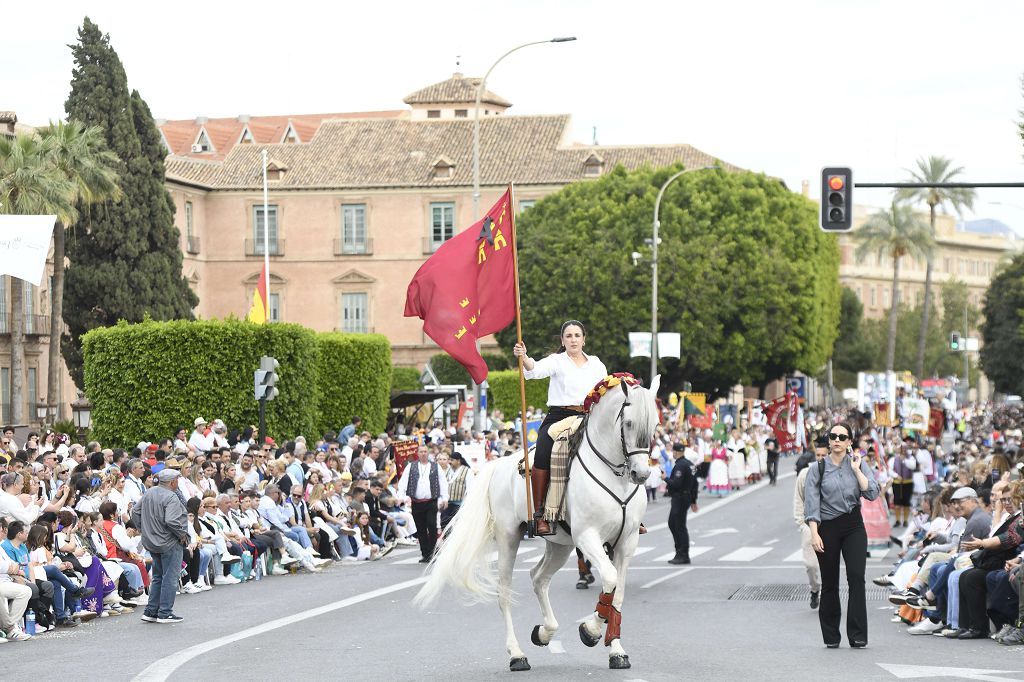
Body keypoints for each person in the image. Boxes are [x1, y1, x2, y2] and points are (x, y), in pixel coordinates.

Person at [513, 319, 608, 535]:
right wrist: (524, 357)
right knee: (543, 451)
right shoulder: (557, 361)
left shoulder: (596, 363)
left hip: (590, 416)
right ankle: (539, 514)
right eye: (569, 336)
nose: (573, 340)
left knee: (619, 445)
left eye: (577, 335)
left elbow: (605, 390)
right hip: (559, 416)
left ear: (584, 339)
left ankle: (628, 510)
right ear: (563, 341)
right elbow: (535, 369)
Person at [805, 421, 880, 649]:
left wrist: (857, 471)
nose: (837, 440)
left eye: (842, 436)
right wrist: (814, 534)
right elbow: (811, 505)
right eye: (833, 436)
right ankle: (831, 636)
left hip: (853, 525)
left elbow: (872, 493)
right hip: (827, 527)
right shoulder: (816, 469)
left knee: (856, 578)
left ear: (849, 442)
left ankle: (857, 635)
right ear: (828, 440)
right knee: (830, 583)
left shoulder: (858, 464)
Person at [131, 469, 188, 624]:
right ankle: (165, 612)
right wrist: (182, 534)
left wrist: (144, 529)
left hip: (152, 541)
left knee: (157, 576)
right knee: (170, 577)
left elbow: (134, 512)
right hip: (169, 541)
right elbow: (171, 520)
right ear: (172, 482)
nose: (178, 482)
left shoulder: (150, 492)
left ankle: (151, 611)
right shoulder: (171, 496)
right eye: (177, 479)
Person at [397, 445, 448, 562]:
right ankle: (425, 553)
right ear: (417, 453)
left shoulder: (435, 466)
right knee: (421, 528)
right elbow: (403, 482)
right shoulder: (411, 466)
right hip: (417, 502)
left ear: (428, 453)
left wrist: (445, 498)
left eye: (425, 451)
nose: (423, 454)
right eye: (421, 452)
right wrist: (401, 496)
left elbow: (443, 482)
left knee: (432, 525)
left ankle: (432, 552)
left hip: (431, 501)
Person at [794, 436, 828, 609]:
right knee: (811, 565)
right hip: (809, 525)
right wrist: (801, 523)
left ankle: (829, 597)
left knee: (829, 565)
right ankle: (815, 589)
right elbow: (799, 498)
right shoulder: (805, 474)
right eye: (818, 455)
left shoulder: (834, 473)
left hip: (829, 525)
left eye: (824, 455)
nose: (821, 459)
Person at [666, 443, 699, 564]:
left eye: (673, 451)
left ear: (676, 452)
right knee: (674, 524)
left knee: (678, 526)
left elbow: (676, 484)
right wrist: (694, 500)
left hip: (679, 498)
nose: (673, 454)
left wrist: (665, 478)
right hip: (685, 497)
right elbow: (695, 484)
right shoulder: (690, 464)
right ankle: (680, 551)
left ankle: (683, 553)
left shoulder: (680, 465)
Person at [440, 451, 473, 530]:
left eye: (452, 460)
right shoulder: (448, 470)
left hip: (459, 504)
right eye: (450, 460)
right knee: (444, 522)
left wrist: (466, 503)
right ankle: (446, 540)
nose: (450, 462)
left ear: (458, 461)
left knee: (457, 525)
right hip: (447, 503)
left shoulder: (467, 471)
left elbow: (470, 488)